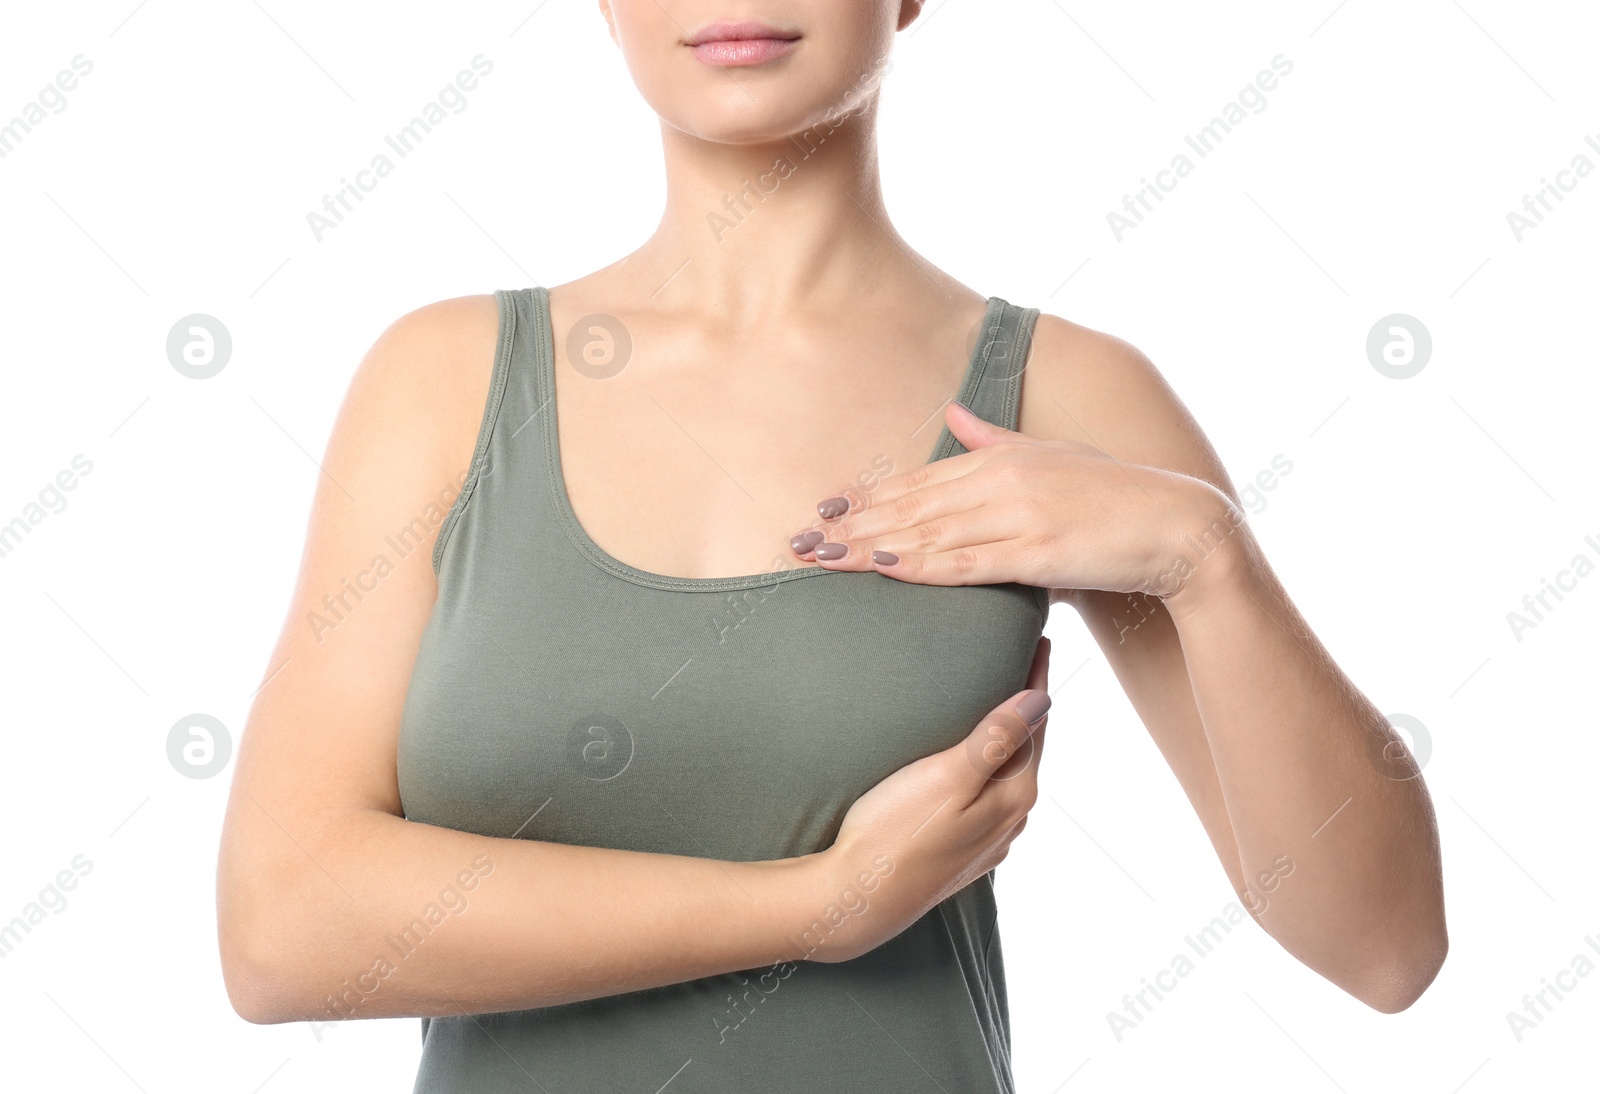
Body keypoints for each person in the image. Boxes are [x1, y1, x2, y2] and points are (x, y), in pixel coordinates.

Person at [216, 3, 1448, 1091]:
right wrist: (816, 907)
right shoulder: (443, 381)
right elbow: (280, 931)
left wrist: (1204, 554)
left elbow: (1383, 948)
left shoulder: (1064, 395)